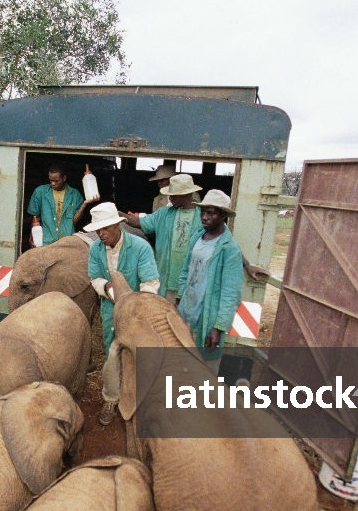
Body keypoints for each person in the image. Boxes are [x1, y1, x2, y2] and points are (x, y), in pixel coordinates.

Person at [86, 202, 160, 424]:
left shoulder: (140, 247)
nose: (101, 234)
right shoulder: (96, 249)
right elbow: (94, 278)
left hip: (138, 310)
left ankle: (142, 399)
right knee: (111, 353)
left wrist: (138, 307)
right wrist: (106, 288)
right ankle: (111, 397)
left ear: (118, 225)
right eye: (97, 230)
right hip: (111, 310)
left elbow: (150, 282)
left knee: (139, 353)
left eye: (105, 229)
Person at [176, 190, 246, 375]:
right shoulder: (197, 237)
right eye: (203, 212)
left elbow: (231, 293)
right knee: (182, 366)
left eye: (211, 213)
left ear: (223, 215)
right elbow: (186, 271)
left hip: (207, 320)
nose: (205, 217)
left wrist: (218, 328)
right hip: (186, 314)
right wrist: (179, 299)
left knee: (205, 370)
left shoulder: (229, 249)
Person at [122, 173, 203, 302]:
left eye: (173, 195)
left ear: (186, 194)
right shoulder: (164, 214)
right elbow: (140, 223)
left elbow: (223, 240)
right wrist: (119, 215)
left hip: (191, 283)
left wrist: (246, 264)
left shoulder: (203, 217)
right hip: (165, 282)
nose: (169, 198)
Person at [26, 163, 98, 246]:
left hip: (67, 242)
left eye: (56, 181)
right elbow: (35, 218)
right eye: (51, 180)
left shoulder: (75, 195)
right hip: (46, 241)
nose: (53, 183)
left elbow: (73, 222)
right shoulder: (40, 192)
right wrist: (32, 237)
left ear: (64, 178)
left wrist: (84, 204)